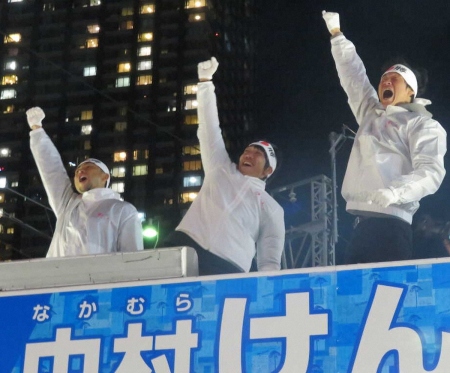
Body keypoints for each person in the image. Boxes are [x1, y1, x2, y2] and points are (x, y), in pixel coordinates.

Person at [322, 11, 447, 264]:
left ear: (410, 91)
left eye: (394, 79)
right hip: (359, 225)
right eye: (383, 79)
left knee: (380, 297)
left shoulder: (423, 124)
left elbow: (431, 172)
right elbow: (354, 78)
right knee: (351, 299)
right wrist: (337, 35)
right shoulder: (371, 115)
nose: (386, 82)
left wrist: (395, 192)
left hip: (391, 225)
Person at [164, 57, 285, 275]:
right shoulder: (220, 168)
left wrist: (268, 290)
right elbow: (210, 127)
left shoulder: (272, 208)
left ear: (268, 170)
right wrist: (205, 82)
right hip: (185, 245)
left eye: (257, 154)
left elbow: (270, 257)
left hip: (227, 265)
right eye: (247, 150)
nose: (248, 154)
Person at [26, 107, 144, 257]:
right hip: (57, 277)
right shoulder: (68, 204)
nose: (80, 171)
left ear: (105, 176)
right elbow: (52, 170)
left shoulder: (122, 210)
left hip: (98, 278)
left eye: (88, 167)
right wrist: (37, 129)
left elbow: (133, 256)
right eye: (76, 171)